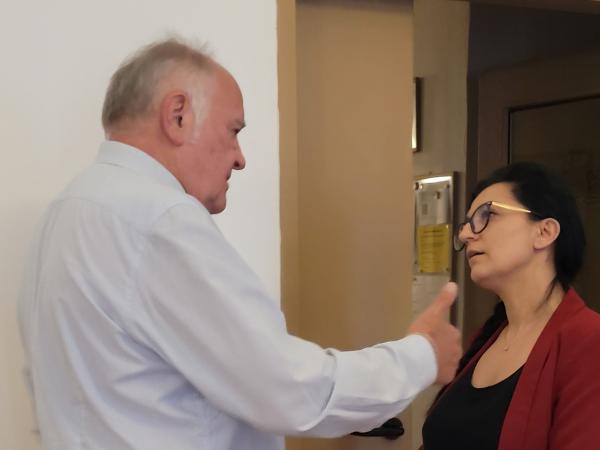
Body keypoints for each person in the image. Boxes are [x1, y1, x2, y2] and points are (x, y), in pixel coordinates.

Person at [18, 37, 461, 450]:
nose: (240, 157)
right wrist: (422, 355)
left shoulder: (65, 213)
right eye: (233, 131)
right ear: (178, 115)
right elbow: (287, 390)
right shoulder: (160, 220)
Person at [421, 162, 600, 450]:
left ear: (544, 232)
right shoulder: (486, 340)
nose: (466, 235)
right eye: (466, 224)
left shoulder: (589, 340)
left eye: (486, 215)